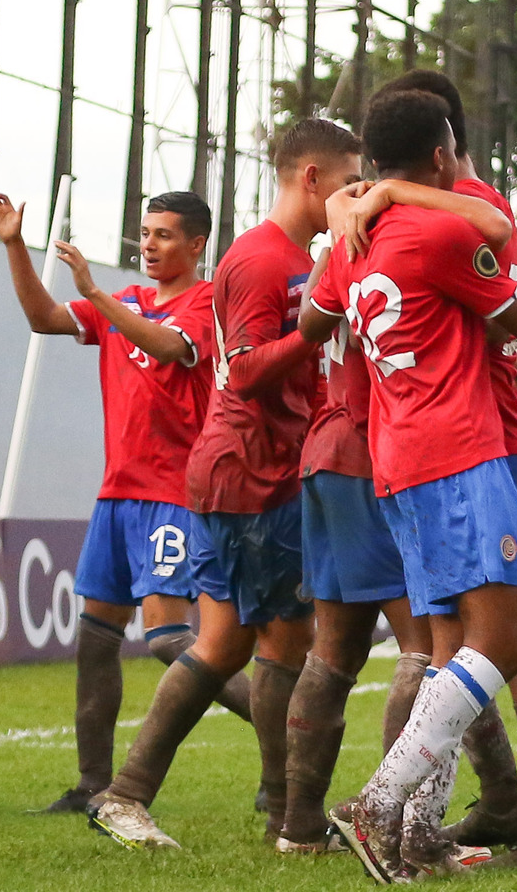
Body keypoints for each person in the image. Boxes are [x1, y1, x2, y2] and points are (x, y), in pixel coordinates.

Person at [298, 90, 517, 882]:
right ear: (444, 156)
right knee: (504, 641)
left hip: (393, 462)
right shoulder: (443, 223)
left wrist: (357, 207)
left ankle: (418, 833)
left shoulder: (351, 236)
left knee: (446, 648)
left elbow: (314, 325)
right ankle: (381, 806)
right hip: (461, 451)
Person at [86, 118, 363, 849]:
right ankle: (163, 799)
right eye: (346, 180)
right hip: (249, 470)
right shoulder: (261, 259)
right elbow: (241, 368)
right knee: (255, 645)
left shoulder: (296, 256)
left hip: (253, 469)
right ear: (311, 179)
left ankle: (275, 813)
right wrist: (312, 327)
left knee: (248, 643)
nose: (353, 193)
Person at [0, 187, 256, 814]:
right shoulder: (125, 301)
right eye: (145, 233)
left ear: (197, 244)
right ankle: (89, 785)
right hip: (118, 494)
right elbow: (44, 317)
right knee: (97, 639)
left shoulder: (208, 304)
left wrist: (99, 295)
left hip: (175, 496)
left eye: (162, 234)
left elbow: (166, 346)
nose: (148, 244)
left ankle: (285, 735)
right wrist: (15, 243)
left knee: (167, 640)